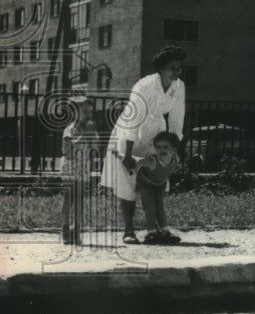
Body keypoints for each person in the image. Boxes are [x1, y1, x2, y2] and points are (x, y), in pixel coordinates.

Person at [101, 46, 186, 245]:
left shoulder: (179, 86)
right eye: (172, 68)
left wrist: (173, 151)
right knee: (128, 181)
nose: (176, 72)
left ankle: (158, 229)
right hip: (132, 131)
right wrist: (129, 155)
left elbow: (176, 120)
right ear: (161, 69)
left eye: (179, 68)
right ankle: (128, 231)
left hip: (157, 132)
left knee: (156, 181)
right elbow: (132, 120)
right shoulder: (144, 85)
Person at [59, 96, 100, 246]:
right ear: (74, 113)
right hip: (71, 166)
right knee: (68, 198)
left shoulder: (90, 129)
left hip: (83, 167)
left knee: (79, 200)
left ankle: (76, 231)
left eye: (90, 112)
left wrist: (93, 137)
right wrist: (85, 135)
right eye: (84, 112)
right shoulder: (70, 129)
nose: (88, 115)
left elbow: (95, 149)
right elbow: (68, 151)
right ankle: (65, 229)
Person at [136, 131, 182, 244]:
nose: (162, 150)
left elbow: (168, 170)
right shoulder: (152, 161)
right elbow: (139, 162)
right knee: (150, 206)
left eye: (166, 147)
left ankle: (164, 230)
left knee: (159, 206)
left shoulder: (176, 159)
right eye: (159, 147)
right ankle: (151, 232)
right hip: (145, 183)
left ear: (174, 149)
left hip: (159, 184)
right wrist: (133, 176)